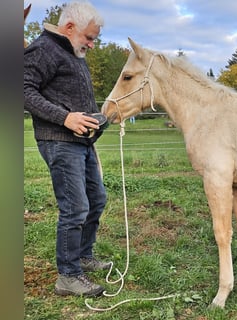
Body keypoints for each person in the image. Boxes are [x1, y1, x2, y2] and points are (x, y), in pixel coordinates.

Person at [24, 1, 111, 297]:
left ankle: (83, 256)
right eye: (89, 37)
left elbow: (69, 95)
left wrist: (95, 118)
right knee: (75, 208)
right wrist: (66, 118)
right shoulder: (43, 49)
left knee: (97, 199)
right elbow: (23, 90)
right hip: (59, 141)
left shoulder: (72, 51)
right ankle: (68, 275)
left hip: (81, 141)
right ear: (70, 27)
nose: (91, 44)